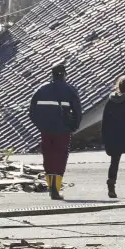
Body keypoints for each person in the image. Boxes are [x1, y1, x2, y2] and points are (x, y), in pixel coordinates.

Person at [28, 63, 83, 200]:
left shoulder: (41, 89)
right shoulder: (70, 90)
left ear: (51, 75)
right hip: (63, 130)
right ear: (64, 75)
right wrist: (73, 127)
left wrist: (40, 125)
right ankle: (56, 189)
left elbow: (31, 112)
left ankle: (51, 187)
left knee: (48, 157)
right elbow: (77, 112)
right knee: (60, 157)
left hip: (46, 130)